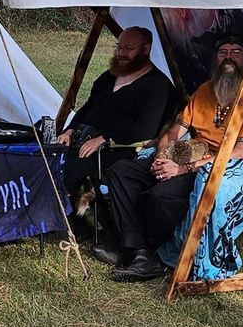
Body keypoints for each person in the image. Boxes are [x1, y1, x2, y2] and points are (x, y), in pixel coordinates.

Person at [101, 32, 243, 282]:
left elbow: (241, 153)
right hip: (190, 156)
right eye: (223, 52)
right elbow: (175, 131)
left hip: (218, 167)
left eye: (236, 52)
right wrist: (162, 156)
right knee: (122, 172)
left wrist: (183, 169)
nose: (228, 57)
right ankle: (138, 250)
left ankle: (146, 252)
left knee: (160, 196)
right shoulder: (205, 90)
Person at [58, 27, 174, 208]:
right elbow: (88, 107)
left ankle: (59, 216)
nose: (121, 53)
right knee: (46, 153)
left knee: (71, 167)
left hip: (118, 149)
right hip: (84, 137)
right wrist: (70, 130)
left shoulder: (158, 86)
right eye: (118, 47)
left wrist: (105, 139)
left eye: (128, 48)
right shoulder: (109, 76)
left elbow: (145, 129)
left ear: (146, 49)